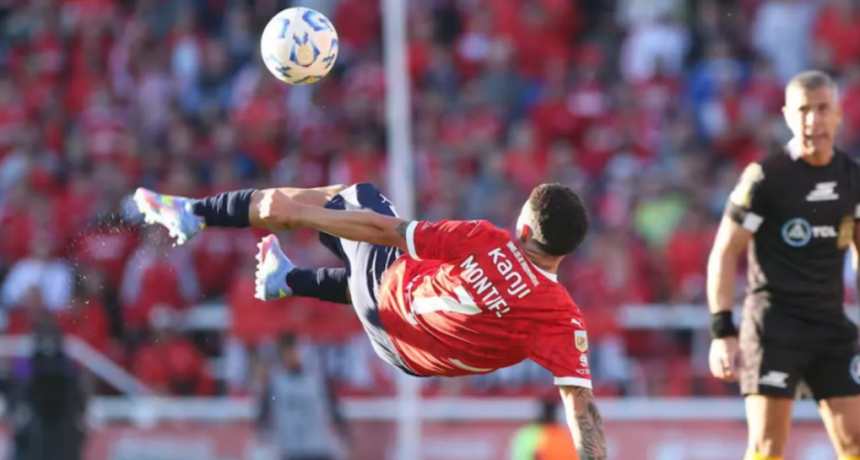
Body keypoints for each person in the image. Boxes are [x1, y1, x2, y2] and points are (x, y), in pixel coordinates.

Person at [133, 181, 607, 459]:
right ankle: (289, 278)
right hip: (406, 358)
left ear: (523, 227)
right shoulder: (561, 316)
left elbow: (383, 229)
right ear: (567, 250)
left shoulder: (484, 239)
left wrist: (304, 215)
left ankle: (196, 213)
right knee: (398, 276)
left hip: (384, 295)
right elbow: (580, 407)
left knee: (358, 195)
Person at [707, 69, 860, 460]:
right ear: (787, 115)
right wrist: (722, 330)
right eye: (803, 110)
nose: (814, 120)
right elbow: (725, 250)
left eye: (823, 108)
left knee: (855, 443)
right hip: (775, 327)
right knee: (768, 448)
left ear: (839, 113)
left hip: (830, 325)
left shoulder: (852, 179)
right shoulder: (765, 179)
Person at [256, 332, 348, 460]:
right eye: (287, 352)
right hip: (290, 451)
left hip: (318, 449)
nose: (292, 356)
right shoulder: (275, 384)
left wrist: (344, 437)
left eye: (294, 351)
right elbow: (263, 416)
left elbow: (335, 412)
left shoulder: (319, 381)